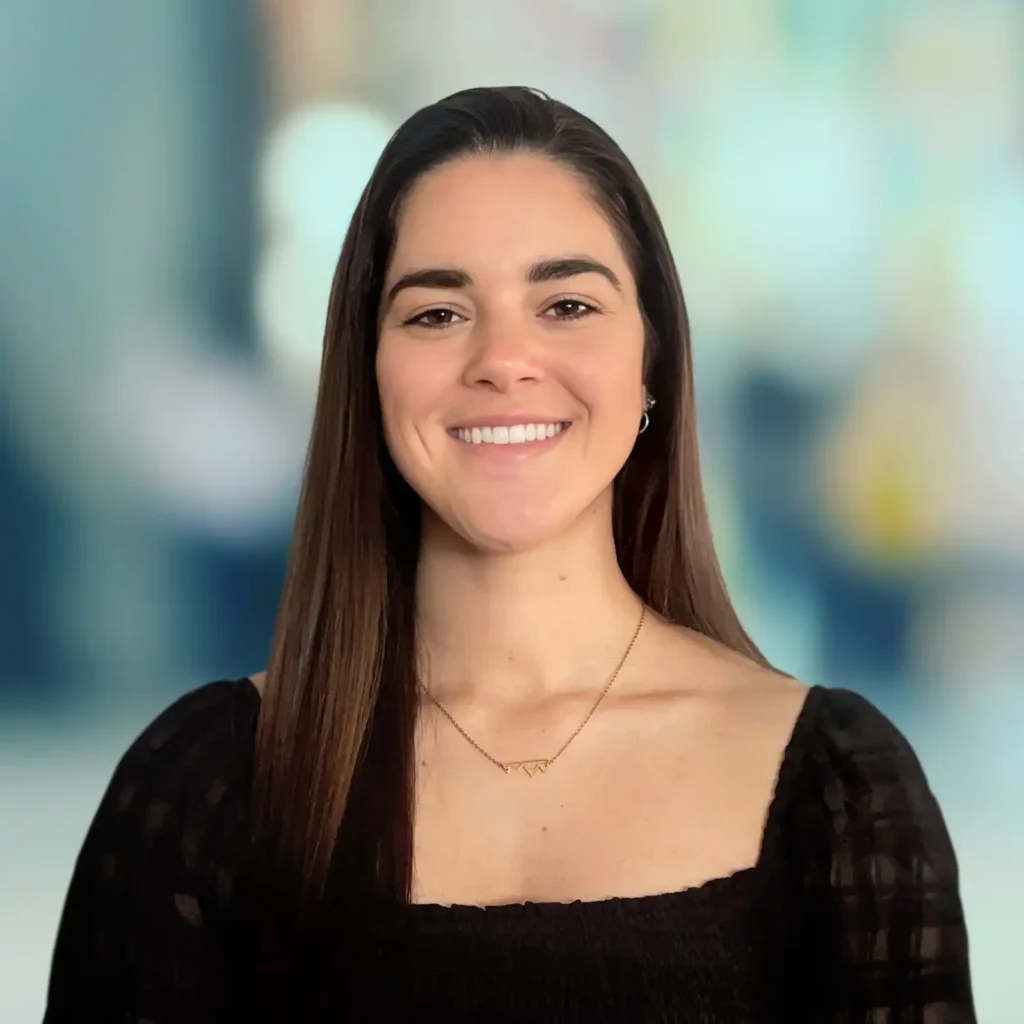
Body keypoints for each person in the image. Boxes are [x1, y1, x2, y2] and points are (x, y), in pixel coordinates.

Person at [43, 86, 975, 1022]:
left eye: (566, 303)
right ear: (367, 375)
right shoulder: (200, 788)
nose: (503, 358)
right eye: (437, 314)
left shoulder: (840, 790)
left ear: (652, 363)